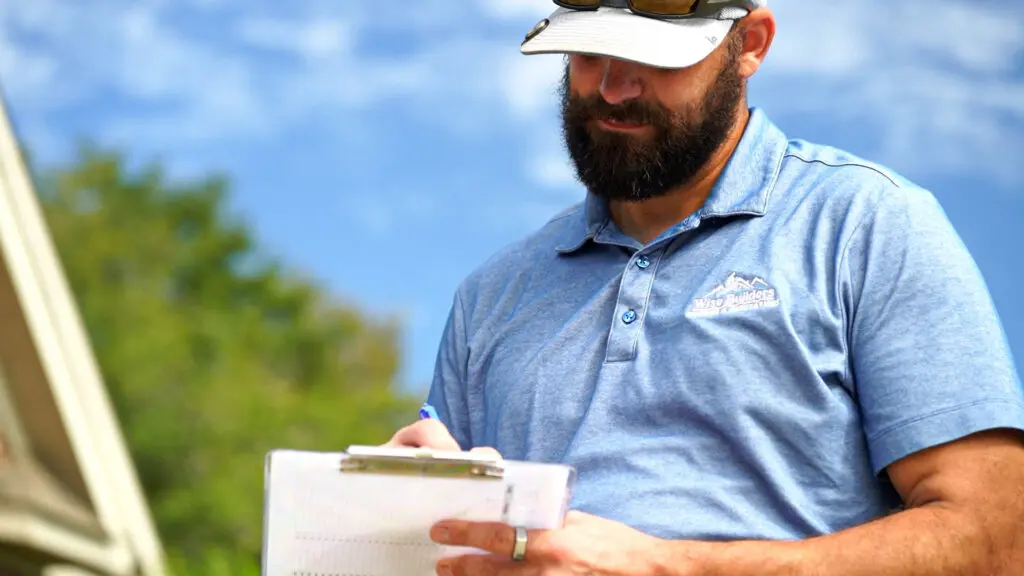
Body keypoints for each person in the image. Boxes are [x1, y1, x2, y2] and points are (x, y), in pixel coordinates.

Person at [387, 1, 1024, 574]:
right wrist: (403, 508)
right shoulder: (491, 293)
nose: (613, 88)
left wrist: (668, 567)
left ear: (750, 43)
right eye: (588, 53)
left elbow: (997, 537)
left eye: (653, 57)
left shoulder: (865, 225)